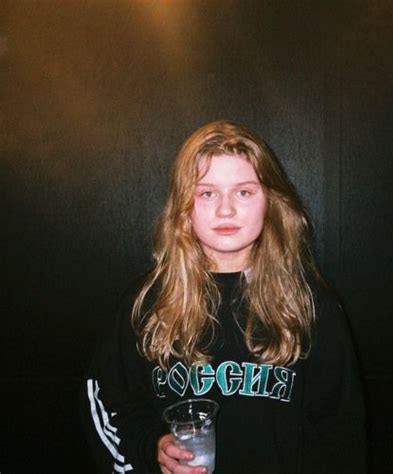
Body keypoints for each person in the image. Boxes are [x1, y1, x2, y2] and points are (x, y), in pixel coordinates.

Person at [81, 120, 366, 474]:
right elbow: (109, 403)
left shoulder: (310, 305)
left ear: (270, 202)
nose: (226, 210)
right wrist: (151, 447)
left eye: (244, 192)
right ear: (184, 206)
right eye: (207, 193)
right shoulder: (146, 303)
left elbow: (341, 434)